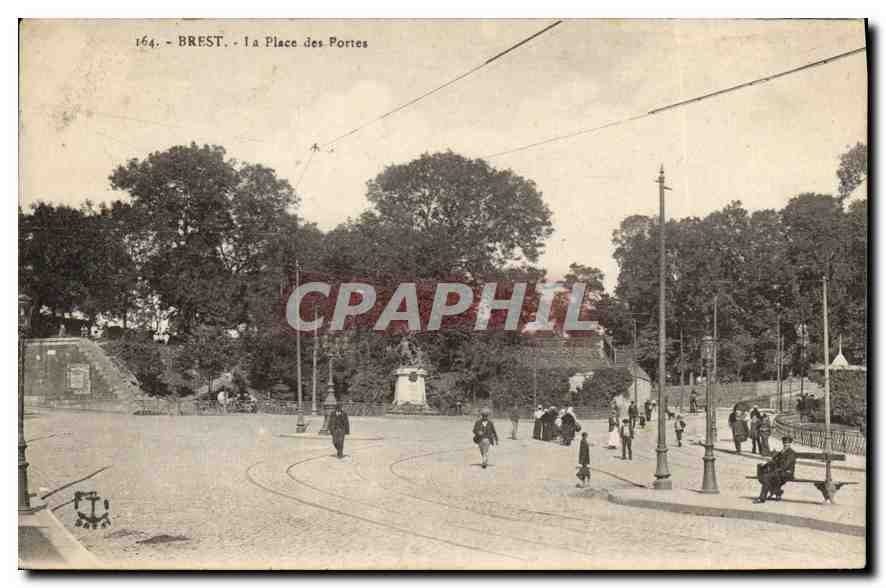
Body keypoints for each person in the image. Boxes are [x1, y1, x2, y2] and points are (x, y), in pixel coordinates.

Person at [753, 436, 797, 503]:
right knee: (768, 477)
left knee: (767, 477)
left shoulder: (791, 453)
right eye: (784, 443)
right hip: (779, 472)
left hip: (787, 473)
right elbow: (774, 460)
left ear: (790, 444)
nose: (785, 444)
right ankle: (777, 492)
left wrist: (776, 470)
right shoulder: (781, 452)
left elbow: (786, 465)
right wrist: (765, 464)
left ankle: (763, 497)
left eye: (787, 443)